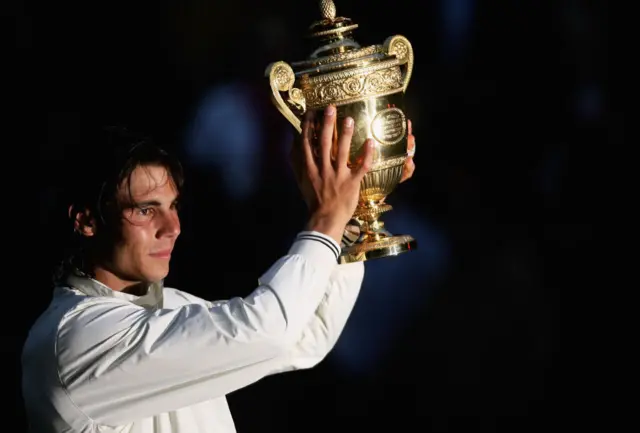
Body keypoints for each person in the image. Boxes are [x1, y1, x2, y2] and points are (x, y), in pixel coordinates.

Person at [22, 105, 416, 432]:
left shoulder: (167, 306)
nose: (172, 228)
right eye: (146, 210)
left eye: (173, 207)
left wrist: (356, 209)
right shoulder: (72, 339)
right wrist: (327, 217)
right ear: (87, 221)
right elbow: (269, 331)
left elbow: (304, 336)